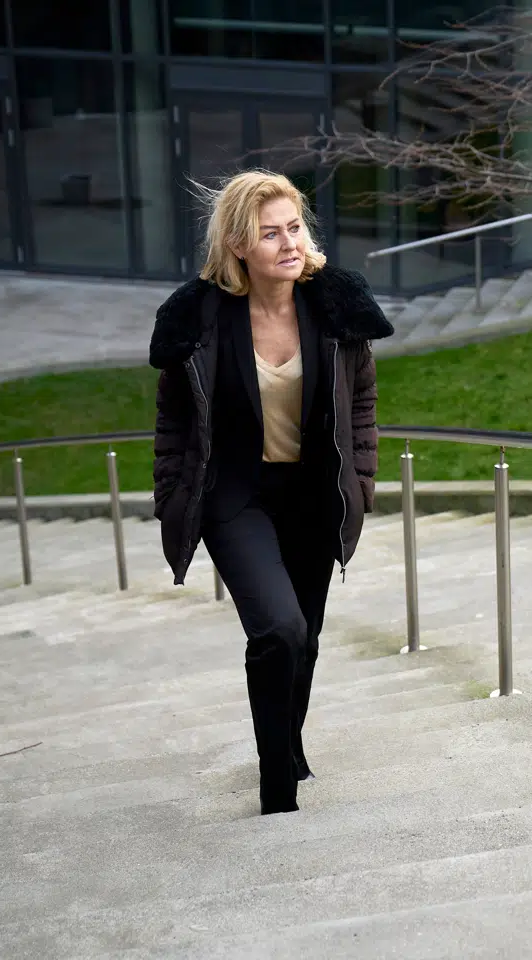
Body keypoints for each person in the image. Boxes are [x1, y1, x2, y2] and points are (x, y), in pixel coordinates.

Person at [147, 169, 393, 815]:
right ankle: (276, 788)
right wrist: (172, 491)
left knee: (305, 636)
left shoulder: (335, 306)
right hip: (237, 496)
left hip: (314, 494)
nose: (289, 243)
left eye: (295, 228)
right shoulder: (197, 320)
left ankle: (289, 743)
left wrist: (361, 482)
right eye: (270, 234)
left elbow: (361, 399)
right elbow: (173, 419)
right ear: (237, 246)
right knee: (278, 628)